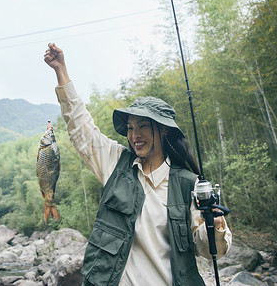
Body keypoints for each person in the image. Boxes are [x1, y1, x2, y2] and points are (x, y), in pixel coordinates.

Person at [44, 43, 232, 286]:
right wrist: (61, 71)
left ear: (163, 130)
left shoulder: (189, 184)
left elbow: (209, 250)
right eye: (131, 128)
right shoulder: (116, 162)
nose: (135, 135)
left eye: (143, 126)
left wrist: (215, 225)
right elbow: (82, 130)